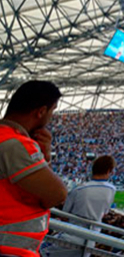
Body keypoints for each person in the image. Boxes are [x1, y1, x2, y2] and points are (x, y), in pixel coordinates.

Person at [0, 81, 67, 257]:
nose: (51, 117)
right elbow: (57, 194)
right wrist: (41, 201)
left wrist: (45, 157)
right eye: (53, 111)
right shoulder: (14, 143)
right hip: (9, 248)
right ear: (41, 111)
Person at [42, 155, 117, 257]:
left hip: (70, 237)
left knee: (39, 249)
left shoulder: (79, 190)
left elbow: (65, 215)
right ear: (109, 170)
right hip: (91, 240)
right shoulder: (112, 190)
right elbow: (105, 212)